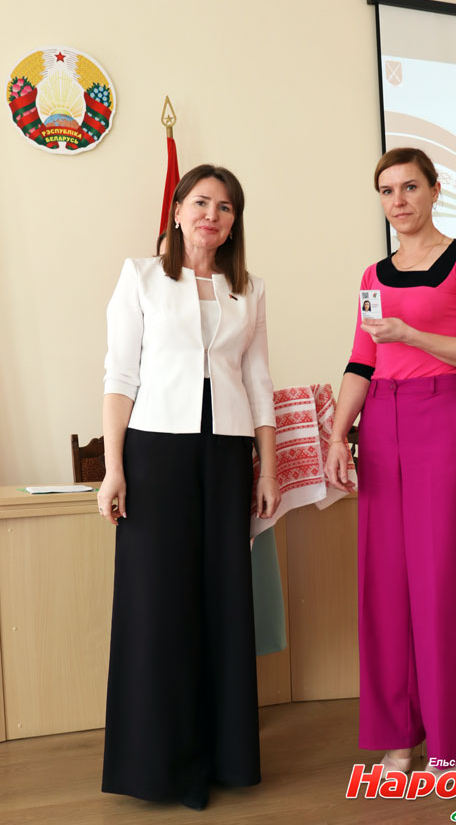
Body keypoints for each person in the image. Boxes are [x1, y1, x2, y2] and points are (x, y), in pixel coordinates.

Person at [98, 164, 280, 810]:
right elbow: (120, 375)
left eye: (225, 207)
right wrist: (114, 467)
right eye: (201, 202)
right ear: (177, 210)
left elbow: (258, 382)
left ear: (234, 223)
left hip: (227, 456)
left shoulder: (249, 289)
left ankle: (225, 757)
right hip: (156, 453)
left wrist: (268, 467)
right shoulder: (141, 276)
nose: (212, 215)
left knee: (224, 601)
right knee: (158, 602)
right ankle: (158, 764)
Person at [325, 147, 456, 776]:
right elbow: (360, 361)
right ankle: (398, 737)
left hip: (442, 419)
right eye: (386, 191)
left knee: (441, 583)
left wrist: (410, 334)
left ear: (434, 190)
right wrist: (337, 436)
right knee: (385, 585)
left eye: (409, 187)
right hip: (380, 424)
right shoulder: (373, 276)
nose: (397, 201)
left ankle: (448, 744)